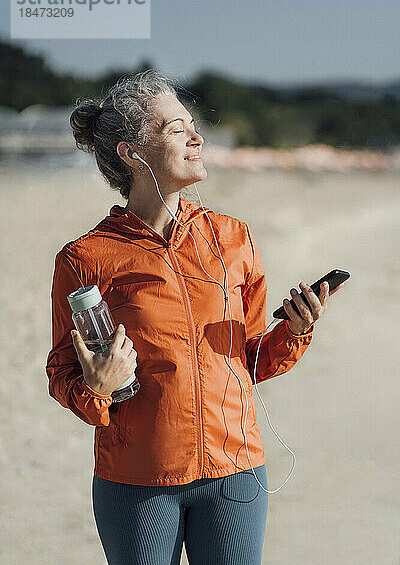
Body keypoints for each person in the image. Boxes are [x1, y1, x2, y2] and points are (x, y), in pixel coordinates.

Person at [46, 69, 340, 565]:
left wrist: (295, 330)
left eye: (192, 124)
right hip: (138, 480)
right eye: (175, 129)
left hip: (235, 472)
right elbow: (61, 374)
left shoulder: (232, 239)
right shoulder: (86, 258)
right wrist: (96, 386)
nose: (196, 136)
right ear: (132, 153)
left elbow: (252, 360)